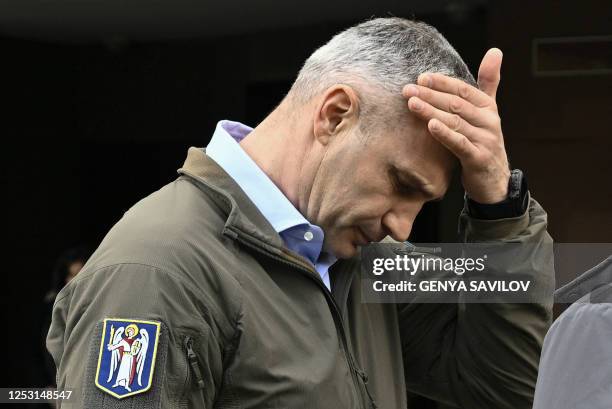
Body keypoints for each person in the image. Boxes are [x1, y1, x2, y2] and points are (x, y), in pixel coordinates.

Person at [47, 18, 554, 408]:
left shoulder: (366, 258)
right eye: (401, 184)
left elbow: (506, 390)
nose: (402, 225)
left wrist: (499, 206)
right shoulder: (156, 270)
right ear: (335, 115)